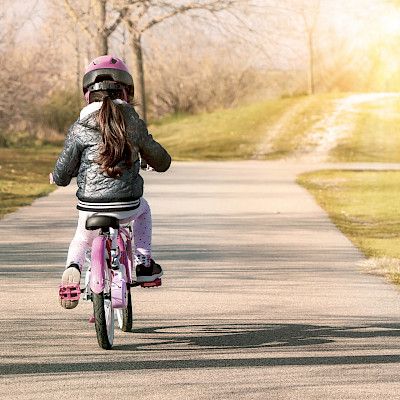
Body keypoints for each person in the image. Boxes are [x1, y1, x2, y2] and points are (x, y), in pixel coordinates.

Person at [51, 55, 171, 309]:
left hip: (91, 206)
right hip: (127, 205)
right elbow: (160, 159)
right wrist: (158, 162)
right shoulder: (133, 122)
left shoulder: (80, 126)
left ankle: (73, 268)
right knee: (144, 210)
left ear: (87, 93)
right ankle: (143, 262)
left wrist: (58, 177)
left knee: (81, 239)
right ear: (127, 92)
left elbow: (63, 171)